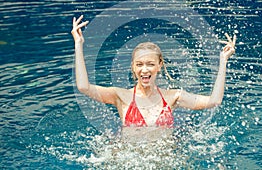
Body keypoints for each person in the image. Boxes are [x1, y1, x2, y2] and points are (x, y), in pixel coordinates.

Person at [71, 15, 236, 128]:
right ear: (133, 68)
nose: (144, 69)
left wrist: (223, 61)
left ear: (159, 65)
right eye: (139, 64)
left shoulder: (173, 97)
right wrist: (78, 44)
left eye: (150, 64)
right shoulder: (120, 96)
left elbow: (214, 101)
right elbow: (83, 87)